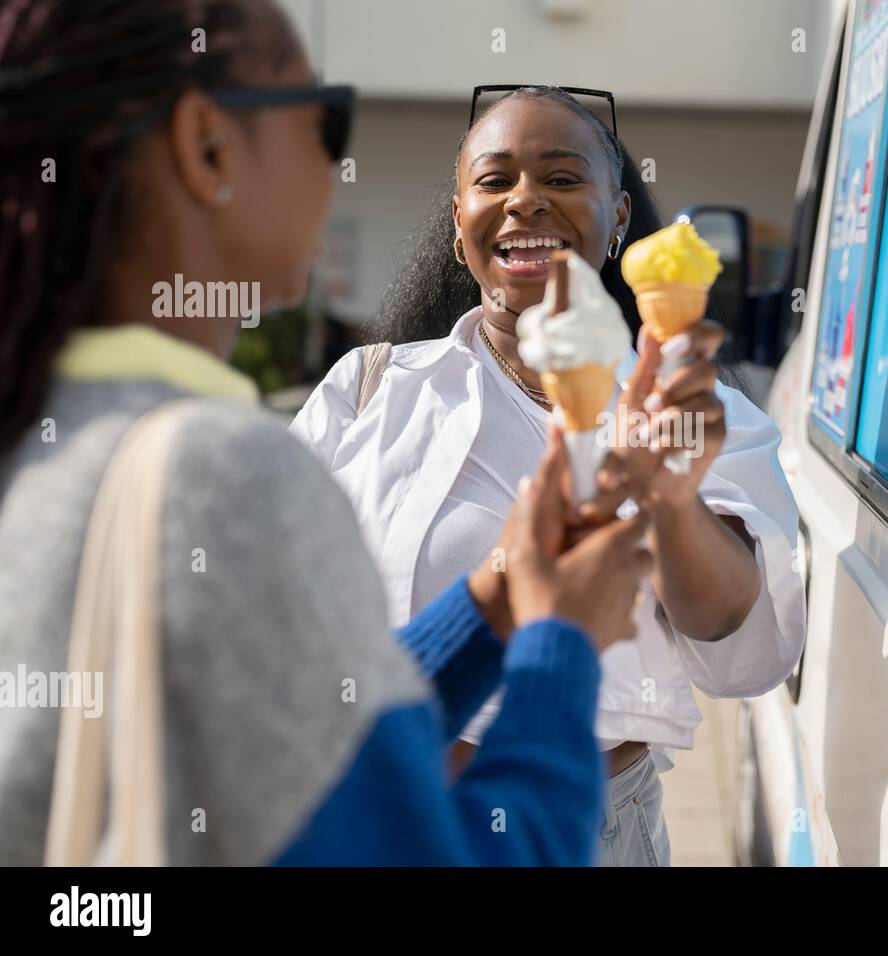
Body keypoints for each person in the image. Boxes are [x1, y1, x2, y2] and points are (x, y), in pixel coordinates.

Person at [0, 0, 649, 866]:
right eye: (322, 118)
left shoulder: (54, 422)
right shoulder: (218, 472)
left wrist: (491, 610)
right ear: (209, 149)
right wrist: (560, 647)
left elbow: (306, 736)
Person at [291, 86, 807, 866]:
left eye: (562, 179)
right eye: (495, 181)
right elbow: (278, 610)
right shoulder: (366, 390)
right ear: (459, 215)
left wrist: (668, 494)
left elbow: (736, 636)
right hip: (383, 822)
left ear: (621, 218)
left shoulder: (697, 413)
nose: (525, 200)